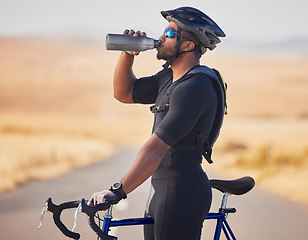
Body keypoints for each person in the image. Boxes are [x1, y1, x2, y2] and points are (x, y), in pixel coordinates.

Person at [88, 6, 226, 240]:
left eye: (170, 33)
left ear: (188, 45)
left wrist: (118, 191)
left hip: (182, 190)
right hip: (160, 187)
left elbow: (156, 148)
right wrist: (127, 53)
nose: (161, 36)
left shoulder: (195, 86)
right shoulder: (168, 78)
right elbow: (124, 92)